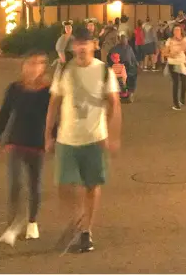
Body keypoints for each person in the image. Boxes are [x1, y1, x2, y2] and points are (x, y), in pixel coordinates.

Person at [45, 27, 121, 255]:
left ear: (94, 45)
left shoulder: (104, 71)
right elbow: (54, 104)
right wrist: (47, 134)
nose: (80, 48)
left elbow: (114, 104)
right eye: (76, 44)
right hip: (66, 138)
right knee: (63, 186)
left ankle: (86, 231)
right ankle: (77, 217)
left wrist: (112, 134)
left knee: (91, 185)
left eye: (85, 43)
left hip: (94, 138)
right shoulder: (64, 71)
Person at [0, 52, 51, 246]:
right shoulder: (15, 89)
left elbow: (55, 116)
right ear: (23, 66)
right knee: (15, 184)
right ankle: (12, 224)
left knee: (35, 184)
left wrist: (54, 137)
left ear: (43, 68)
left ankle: (32, 221)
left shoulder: (48, 91)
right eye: (30, 63)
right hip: (16, 141)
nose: (34, 68)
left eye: (39, 64)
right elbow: (5, 113)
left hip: (37, 142)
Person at [164, 25, 186, 111]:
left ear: (181, 31)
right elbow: (165, 52)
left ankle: (182, 98)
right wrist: (170, 54)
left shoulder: (184, 39)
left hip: (182, 62)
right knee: (176, 83)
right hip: (173, 63)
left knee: (185, 82)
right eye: (175, 30)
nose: (176, 32)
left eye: (178, 30)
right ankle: (176, 104)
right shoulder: (169, 40)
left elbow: (185, 50)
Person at [108, 35, 138, 102]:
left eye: (126, 40)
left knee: (133, 74)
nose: (125, 42)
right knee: (130, 76)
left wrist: (136, 63)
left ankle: (130, 91)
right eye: (124, 40)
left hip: (127, 66)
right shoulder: (115, 49)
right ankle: (129, 90)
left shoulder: (129, 48)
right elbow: (110, 58)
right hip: (119, 67)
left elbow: (133, 57)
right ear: (120, 41)